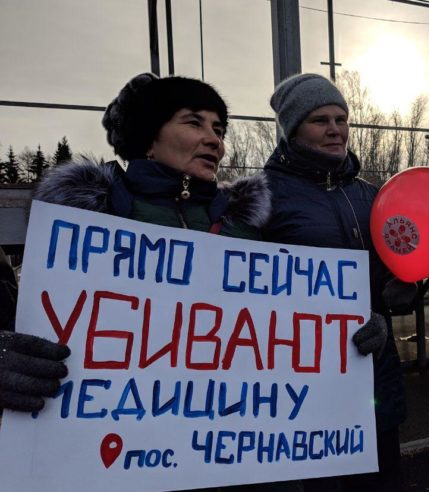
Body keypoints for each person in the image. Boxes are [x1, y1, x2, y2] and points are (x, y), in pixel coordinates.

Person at [5, 73, 290, 491]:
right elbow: (35, 320)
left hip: (233, 460)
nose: (215, 140)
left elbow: (282, 331)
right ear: (148, 138)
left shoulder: (243, 227)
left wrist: (349, 335)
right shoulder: (84, 224)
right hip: (117, 464)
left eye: (219, 129)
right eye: (194, 123)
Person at [263, 73, 414, 491]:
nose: (335, 129)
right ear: (294, 129)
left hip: (372, 375)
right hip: (303, 386)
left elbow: (388, 282)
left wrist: (403, 292)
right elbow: (248, 289)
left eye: (341, 118)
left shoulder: (372, 196)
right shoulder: (264, 195)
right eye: (319, 120)